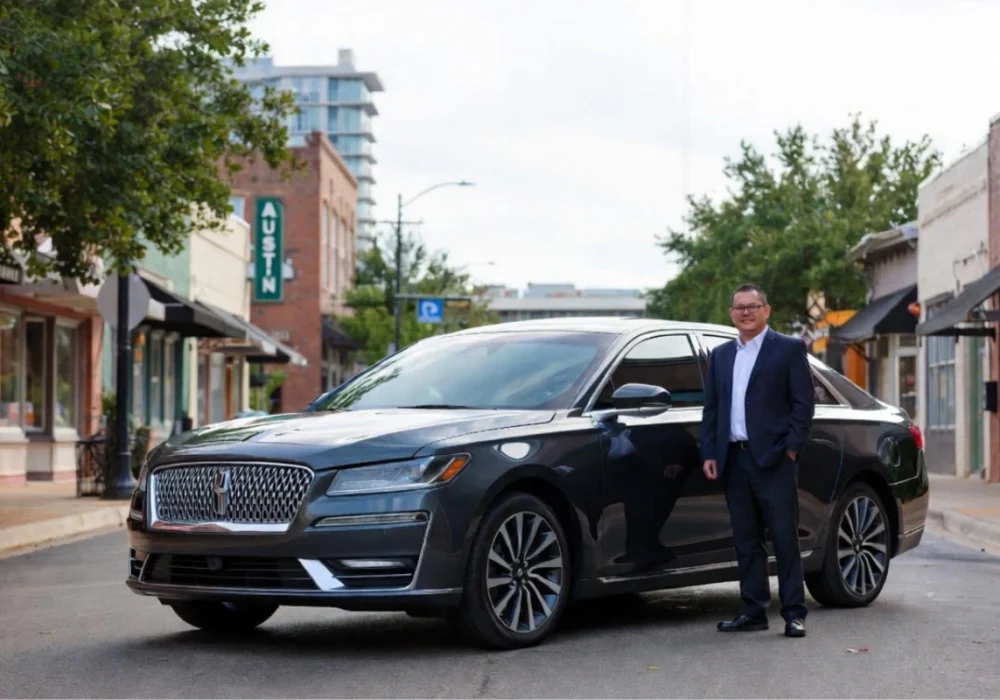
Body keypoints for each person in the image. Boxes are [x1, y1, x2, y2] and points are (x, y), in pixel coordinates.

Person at [700, 283, 815, 638]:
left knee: (784, 538)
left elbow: (803, 402)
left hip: (775, 459)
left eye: (753, 306)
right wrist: (710, 452)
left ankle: (794, 613)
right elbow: (713, 409)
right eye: (739, 308)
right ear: (731, 314)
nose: (746, 312)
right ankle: (753, 610)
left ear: (767, 310)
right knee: (746, 540)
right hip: (734, 459)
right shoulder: (720, 355)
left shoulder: (788, 349)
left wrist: (792, 447)